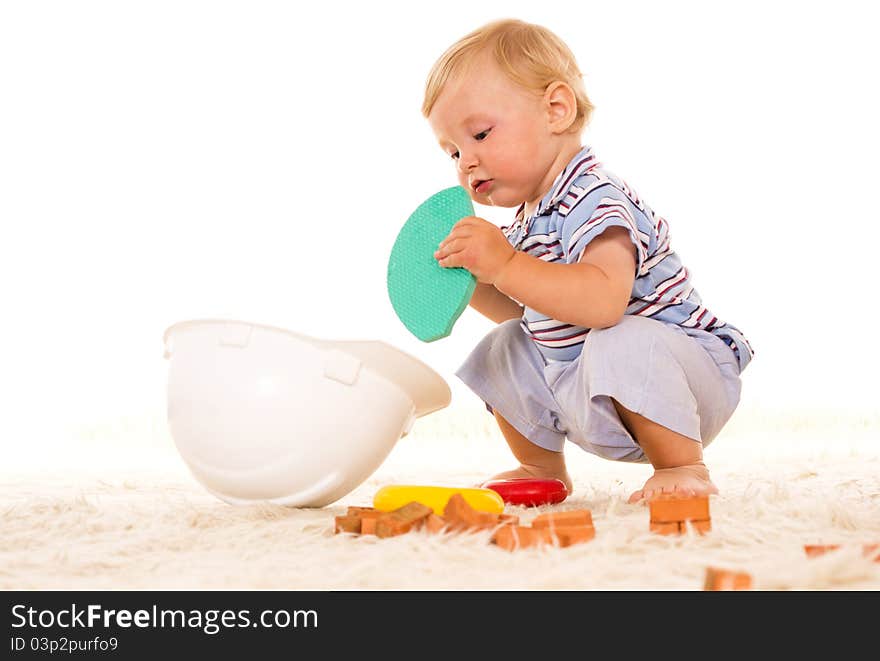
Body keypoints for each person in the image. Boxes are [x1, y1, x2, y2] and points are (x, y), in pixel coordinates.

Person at [423, 18, 753, 504]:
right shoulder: (529, 220)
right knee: (506, 344)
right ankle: (540, 467)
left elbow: (602, 304)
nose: (465, 161)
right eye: (452, 151)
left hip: (683, 385)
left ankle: (683, 466)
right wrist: (474, 279)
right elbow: (530, 312)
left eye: (481, 134)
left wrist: (506, 265)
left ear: (556, 110)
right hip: (588, 386)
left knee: (622, 336)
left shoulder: (593, 197)